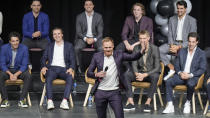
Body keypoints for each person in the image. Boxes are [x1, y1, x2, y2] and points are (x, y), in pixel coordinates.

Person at [87, 37, 145, 118]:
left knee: (120, 116)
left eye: (110, 47)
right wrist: (96, 74)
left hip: (114, 92)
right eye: (106, 47)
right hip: (100, 92)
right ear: (103, 47)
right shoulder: (97, 56)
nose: (108, 49)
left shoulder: (119, 54)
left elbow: (133, 57)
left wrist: (142, 51)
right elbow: (89, 73)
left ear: (113, 46)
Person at [162, 32, 206, 114]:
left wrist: (190, 75)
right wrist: (180, 73)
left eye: (193, 42)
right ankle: (170, 105)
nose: (191, 44)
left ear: (197, 42)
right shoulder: (182, 51)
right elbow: (176, 65)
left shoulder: (201, 53)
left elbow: (202, 69)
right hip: (181, 75)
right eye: (189, 41)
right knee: (168, 81)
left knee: (191, 84)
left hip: (192, 76)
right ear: (187, 41)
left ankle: (188, 103)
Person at [159, 0, 197, 80]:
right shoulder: (172, 19)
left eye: (181, 8)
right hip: (173, 43)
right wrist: (172, 45)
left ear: (185, 9)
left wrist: (179, 47)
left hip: (185, 45)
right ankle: (171, 68)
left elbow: (192, 38)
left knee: (181, 57)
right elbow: (169, 34)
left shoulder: (192, 20)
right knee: (159, 50)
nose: (179, 10)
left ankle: (180, 75)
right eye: (178, 8)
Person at [123, 30, 160, 112]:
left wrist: (145, 75)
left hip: (149, 74)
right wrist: (137, 74)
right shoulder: (136, 48)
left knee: (156, 76)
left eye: (144, 38)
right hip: (139, 73)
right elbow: (134, 63)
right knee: (126, 75)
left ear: (148, 38)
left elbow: (157, 67)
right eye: (140, 38)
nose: (142, 40)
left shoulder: (155, 48)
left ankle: (147, 103)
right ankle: (131, 103)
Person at [40, 27, 75, 110]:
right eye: (55, 34)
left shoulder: (69, 45)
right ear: (53, 36)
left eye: (58, 33)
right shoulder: (49, 45)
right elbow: (43, 58)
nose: (57, 35)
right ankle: (49, 101)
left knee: (70, 77)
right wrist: (44, 66)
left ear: (62, 35)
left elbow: (73, 59)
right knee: (48, 78)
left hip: (64, 69)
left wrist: (71, 68)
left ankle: (64, 101)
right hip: (52, 68)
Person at [0, 32, 31, 108]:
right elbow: (2, 64)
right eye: (13, 41)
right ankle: (5, 99)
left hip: (19, 70)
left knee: (28, 75)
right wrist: (10, 74)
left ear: (19, 41)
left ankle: (22, 99)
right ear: (10, 41)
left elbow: (24, 65)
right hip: (8, 70)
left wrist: (16, 74)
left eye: (17, 40)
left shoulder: (24, 48)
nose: (15, 43)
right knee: (0, 75)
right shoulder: (4, 48)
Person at [74, 0, 103, 74]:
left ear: (93, 6)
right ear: (84, 6)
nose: (88, 6)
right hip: (83, 38)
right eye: (86, 4)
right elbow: (78, 32)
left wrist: (94, 39)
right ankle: (79, 68)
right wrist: (86, 39)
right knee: (76, 48)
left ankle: (98, 68)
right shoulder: (79, 17)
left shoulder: (99, 16)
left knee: (101, 48)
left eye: (90, 4)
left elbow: (100, 33)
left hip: (95, 38)